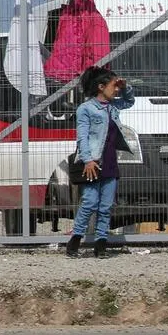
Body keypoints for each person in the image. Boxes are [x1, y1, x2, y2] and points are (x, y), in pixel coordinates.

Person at [66, 67, 135, 259]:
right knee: (89, 202)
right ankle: (75, 241)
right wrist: (88, 160)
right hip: (94, 162)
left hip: (110, 162)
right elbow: (82, 137)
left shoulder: (113, 106)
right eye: (113, 86)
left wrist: (125, 86)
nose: (116, 90)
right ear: (101, 87)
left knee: (105, 206)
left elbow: (129, 101)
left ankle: (101, 245)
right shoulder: (86, 109)